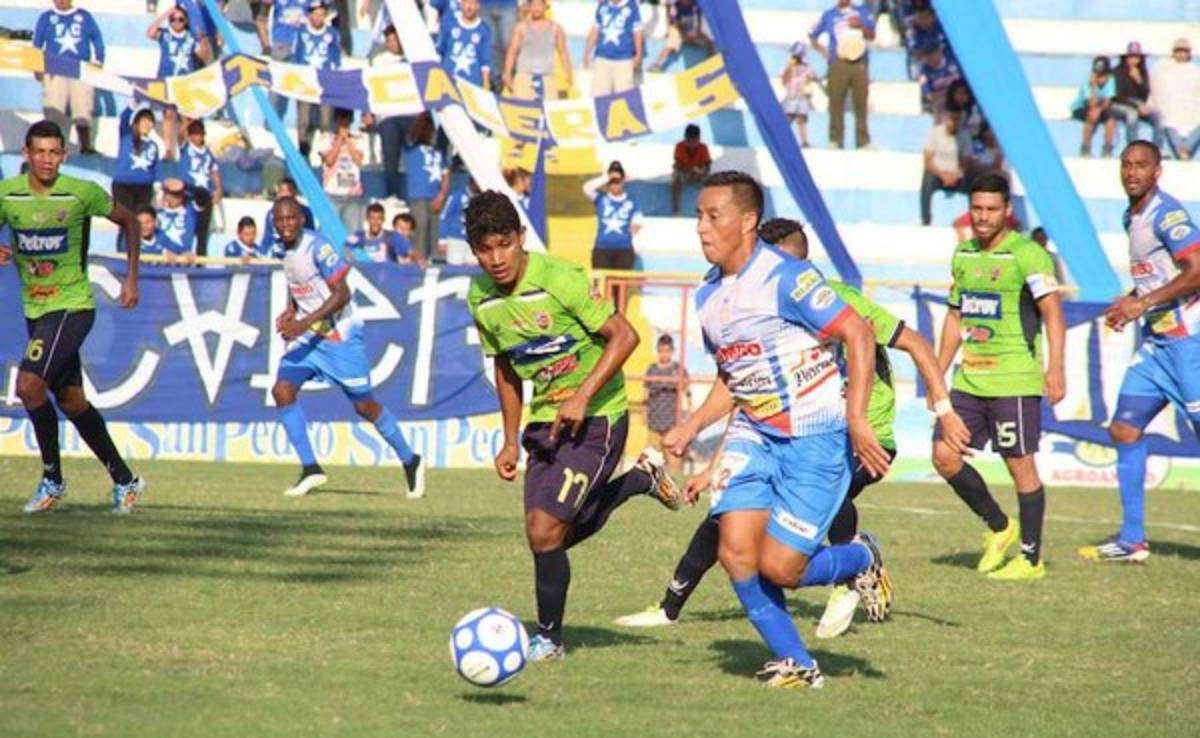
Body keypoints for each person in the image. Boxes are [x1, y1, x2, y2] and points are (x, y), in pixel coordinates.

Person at [617, 216, 970, 638]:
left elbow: (914, 342)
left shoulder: (838, 302)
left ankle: (853, 569)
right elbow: (751, 397)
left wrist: (945, 410)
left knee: (823, 490)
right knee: (727, 514)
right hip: (793, 436)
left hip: (866, 438)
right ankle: (670, 608)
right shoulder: (759, 310)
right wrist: (714, 464)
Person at [652, 171, 892, 688]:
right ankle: (798, 665)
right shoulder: (708, 297)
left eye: (712, 216)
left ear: (748, 221)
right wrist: (692, 425)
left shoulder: (788, 278)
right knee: (735, 550)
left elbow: (859, 332)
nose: (701, 228)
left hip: (816, 438)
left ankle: (860, 556)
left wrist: (856, 417)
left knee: (781, 568)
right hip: (756, 434)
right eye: (698, 216)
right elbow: (733, 376)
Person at [464, 189, 683, 661]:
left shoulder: (559, 279)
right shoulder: (480, 298)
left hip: (599, 417)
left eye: (504, 243)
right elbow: (505, 367)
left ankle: (550, 640)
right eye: (484, 249)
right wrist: (508, 439)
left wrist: (583, 396)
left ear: (521, 238)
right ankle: (639, 480)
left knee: (546, 534)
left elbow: (625, 335)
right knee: (542, 535)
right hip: (546, 423)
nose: (496, 258)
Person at [0, 120, 146, 514]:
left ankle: (53, 479)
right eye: (39, 152)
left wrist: (131, 278)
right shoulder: (8, 195)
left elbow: (130, 221)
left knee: (29, 386)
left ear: (64, 155)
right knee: (71, 401)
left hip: (73, 305)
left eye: (54, 152)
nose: (47, 159)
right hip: (35, 308)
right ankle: (126, 480)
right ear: (27, 155)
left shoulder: (81, 193)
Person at [931, 172, 1066, 581]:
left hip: (1015, 380)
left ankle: (1031, 558)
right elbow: (956, 316)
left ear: (1007, 211)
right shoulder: (964, 255)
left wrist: (1055, 368)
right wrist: (936, 374)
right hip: (969, 380)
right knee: (944, 456)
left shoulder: (1027, 255)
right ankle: (1000, 527)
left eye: (992, 209)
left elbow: (1053, 313)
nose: (983, 217)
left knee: (1019, 466)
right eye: (977, 208)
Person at [1079, 141, 1200, 562]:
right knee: (1124, 429)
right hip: (1158, 346)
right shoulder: (1131, 214)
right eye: (1126, 165)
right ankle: (1132, 540)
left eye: (1141, 166)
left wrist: (1141, 304)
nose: (1132, 172)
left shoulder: (1167, 215)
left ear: (1158, 171)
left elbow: (1197, 269)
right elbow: (1157, 277)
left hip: (1190, 342)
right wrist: (1130, 301)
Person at [269, 197, 426, 499]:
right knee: (282, 390)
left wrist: (303, 323)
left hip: (340, 335)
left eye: (291, 218)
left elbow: (342, 293)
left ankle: (411, 459)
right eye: (279, 220)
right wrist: (291, 309)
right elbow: (296, 281)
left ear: (301, 220)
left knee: (364, 405)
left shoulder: (319, 248)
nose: (285, 224)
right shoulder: (280, 248)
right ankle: (311, 469)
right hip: (310, 336)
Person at [33, 0, 104, 154]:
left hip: (80, 70)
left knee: (82, 109)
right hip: (54, 69)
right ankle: (51, 148)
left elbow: (97, 39)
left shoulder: (84, 16)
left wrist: (99, 60)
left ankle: (86, 146)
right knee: (53, 110)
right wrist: (37, 66)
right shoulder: (46, 18)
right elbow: (37, 44)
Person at [809, 0, 876, 150]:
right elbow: (812, 34)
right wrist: (825, 53)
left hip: (859, 62)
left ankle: (863, 140)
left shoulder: (862, 12)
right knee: (836, 101)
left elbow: (872, 35)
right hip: (838, 62)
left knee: (861, 102)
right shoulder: (829, 15)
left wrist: (861, 26)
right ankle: (835, 139)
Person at [146, 4, 210, 161]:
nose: (176, 22)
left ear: (186, 21)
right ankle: (169, 150)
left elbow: (203, 56)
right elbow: (150, 32)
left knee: (188, 118)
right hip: (167, 79)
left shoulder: (191, 36)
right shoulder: (165, 34)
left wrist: (203, 41)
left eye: (180, 19)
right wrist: (167, 13)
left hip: (186, 82)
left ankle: (183, 147)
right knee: (168, 115)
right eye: (173, 19)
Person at [362, 24, 410, 200]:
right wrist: (368, 112)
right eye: (389, 40)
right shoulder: (379, 61)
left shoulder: (411, 59)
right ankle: (392, 194)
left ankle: (414, 193)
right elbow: (370, 86)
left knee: (418, 156)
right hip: (388, 115)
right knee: (390, 157)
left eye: (395, 39)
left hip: (409, 114)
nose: (393, 44)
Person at [291, 0, 341, 158]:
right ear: (310, 15)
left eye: (322, 14)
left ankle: (325, 152)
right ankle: (303, 149)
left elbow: (336, 58)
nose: (319, 18)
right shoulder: (301, 32)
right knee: (304, 118)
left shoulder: (332, 33)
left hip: (325, 81)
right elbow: (295, 56)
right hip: (305, 81)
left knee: (326, 119)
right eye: (316, 14)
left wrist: (334, 76)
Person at [404, 113, 450, 262]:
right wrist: (424, 115)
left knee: (436, 236)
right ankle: (419, 267)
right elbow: (412, 133)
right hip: (418, 197)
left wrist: (442, 195)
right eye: (427, 128)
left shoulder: (438, 152)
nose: (429, 131)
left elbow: (446, 174)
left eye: (431, 128)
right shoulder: (411, 148)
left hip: (436, 198)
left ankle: (435, 266)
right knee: (420, 234)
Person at [112, 106, 160, 249]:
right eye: (144, 121)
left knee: (140, 221)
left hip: (144, 187)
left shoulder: (153, 145)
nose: (147, 125)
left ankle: (138, 251)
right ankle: (121, 251)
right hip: (123, 185)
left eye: (150, 122)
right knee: (125, 220)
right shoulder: (127, 137)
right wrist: (133, 104)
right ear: (137, 123)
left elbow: (156, 167)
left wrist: (157, 185)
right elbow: (124, 118)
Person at [502, 0, 572, 99]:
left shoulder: (556, 28)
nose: (536, 8)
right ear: (529, 7)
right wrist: (507, 73)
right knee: (521, 109)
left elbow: (563, 52)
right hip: (524, 76)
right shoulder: (521, 27)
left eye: (539, 5)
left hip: (547, 76)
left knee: (549, 110)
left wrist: (568, 73)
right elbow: (512, 51)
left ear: (545, 6)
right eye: (533, 5)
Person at [584, 160, 642, 274]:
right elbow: (586, 188)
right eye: (612, 181)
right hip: (602, 249)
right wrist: (606, 177)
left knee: (620, 287)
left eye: (618, 181)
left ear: (623, 181)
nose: (615, 184)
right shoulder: (600, 198)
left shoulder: (631, 200)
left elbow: (638, 221)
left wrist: (636, 228)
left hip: (624, 249)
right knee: (599, 286)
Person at [644, 334, 690, 475]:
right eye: (661, 350)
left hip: (672, 422)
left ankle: (675, 486)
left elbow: (687, 392)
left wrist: (688, 414)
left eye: (667, 351)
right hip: (654, 420)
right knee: (651, 458)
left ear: (672, 351)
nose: (664, 354)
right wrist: (644, 413)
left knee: (674, 458)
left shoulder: (678, 369)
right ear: (657, 350)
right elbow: (645, 394)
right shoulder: (651, 369)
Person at [1149, 38, 1200, 161]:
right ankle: (1181, 151)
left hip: (1191, 111)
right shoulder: (1164, 69)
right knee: (1168, 123)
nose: (1181, 54)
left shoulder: (1195, 71)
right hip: (1171, 111)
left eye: (1184, 51)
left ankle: (1184, 150)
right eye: (1178, 51)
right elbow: (1158, 88)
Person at [258, 0, 310, 116]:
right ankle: (271, 120)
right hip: (281, 43)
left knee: (305, 84)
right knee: (276, 82)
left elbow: (326, 14)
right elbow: (261, 19)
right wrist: (266, 45)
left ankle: (304, 123)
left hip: (304, 44)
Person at [583, 0, 644, 98]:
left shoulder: (632, 6)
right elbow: (595, 29)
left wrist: (639, 54)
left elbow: (637, 32)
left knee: (624, 97)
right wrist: (586, 53)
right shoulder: (603, 6)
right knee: (598, 96)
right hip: (602, 58)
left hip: (623, 60)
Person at [179, 120, 222, 258]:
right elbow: (180, 135)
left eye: (199, 134)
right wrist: (188, 117)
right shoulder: (186, 147)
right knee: (187, 227)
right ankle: (185, 257)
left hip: (205, 196)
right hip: (189, 193)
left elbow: (214, 171)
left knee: (203, 232)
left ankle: (201, 260)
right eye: (194, 134)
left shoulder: (208, 153)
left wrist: (218, 188)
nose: (197, 137)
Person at [319, 109, 365, 230]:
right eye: (341, 120)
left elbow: (359, 161)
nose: (344, 124)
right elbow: (329, 161)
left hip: (352, 195)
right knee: (329, 231)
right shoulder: (326, 138)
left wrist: (348, 140)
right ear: (336, 120)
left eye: (347, 120)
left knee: (353, 234)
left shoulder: (358, 139)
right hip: (332, 194)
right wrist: (339, 139)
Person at [1112, 42, 1162, 148]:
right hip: (1119, 103)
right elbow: (1117, 97)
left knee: (1158, 115)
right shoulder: (1117, 72)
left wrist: (1139, 81)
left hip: (1139, 104)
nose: (1134, 60)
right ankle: (1132, 147)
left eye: (1137, 57)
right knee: (1132, 115)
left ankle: (1157, 149)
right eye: (1131, 57)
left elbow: (1145, 95)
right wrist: (1136, 106)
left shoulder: (1142, 72)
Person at [920, 111, 964, 226]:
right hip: (938, 174)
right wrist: (942, 175)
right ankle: (926, 219)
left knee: (974, 180)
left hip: (957, 176)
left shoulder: (964, 135)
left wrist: (956, 175)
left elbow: (966, 162)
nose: (954, 123)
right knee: (927, 179)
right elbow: (927, 160)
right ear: (946, 119)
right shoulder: (935, 132)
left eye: (957, 119)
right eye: (952, 119)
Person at [346, 202, 424, 265]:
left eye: (379, 218)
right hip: (364, 277)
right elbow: (345, 249)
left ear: (383, 219)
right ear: (367, 219)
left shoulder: (393, 237)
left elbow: (411, 252)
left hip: (387, 277)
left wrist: (419, 259)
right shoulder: (358, 236)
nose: (376, 222)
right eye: (372, 218)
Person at [437, 0, 493, 89]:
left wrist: (486, 84)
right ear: (461, 4)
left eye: (472, 3)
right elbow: (440, 52)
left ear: (478, 6)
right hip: (449, 82)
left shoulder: (484, 30)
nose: (469, 7)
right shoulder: (450, 25)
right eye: (466, 3)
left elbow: (485, 62)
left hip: (473, 85)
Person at [1071, 56, 1118, 158]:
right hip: (1082, 107)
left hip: (1100, 108)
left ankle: (1107, 148)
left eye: (1103, 75)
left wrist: (1100, 110)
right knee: (1092, 115)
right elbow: (1091, 102)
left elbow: (1108, 100)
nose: (1101, 78)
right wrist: (1094, 86)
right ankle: (1085, 147)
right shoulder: (1088, 83)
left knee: (1110, 119)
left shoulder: (1111, 80)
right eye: (1099, 75)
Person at [647, 0, 713, 72]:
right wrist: (682, 29)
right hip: (679, 31)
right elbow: (674, 23)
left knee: (709, 42)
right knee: (671, 44)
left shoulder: (696, 5)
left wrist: (696, 31)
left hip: (692, 32)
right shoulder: (675, 7)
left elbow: (699, 20)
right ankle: (656, 63)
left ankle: (712, 61)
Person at [259, 178, 314, 259]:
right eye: (281, 191)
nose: (284, 194)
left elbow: (311, 235)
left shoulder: (305, 212)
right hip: (276, 256)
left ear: (294, 193)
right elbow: (267, 239)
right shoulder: (271, 213)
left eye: (287, 191)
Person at [781, 42, 818, 148]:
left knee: (801, 119)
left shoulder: (807, 67)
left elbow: (813, 76)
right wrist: (789, 69)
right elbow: (784, 80)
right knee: (787, 118)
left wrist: (809, 77)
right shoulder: (789, 67)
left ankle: (804, 141)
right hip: (791, 95)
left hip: (802, 96)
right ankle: (783, 139)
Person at [671, 124, 711, 216]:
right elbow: (678, 164)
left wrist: (701, 172)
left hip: (699, 174)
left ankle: (705, 210)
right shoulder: (679, 146)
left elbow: (707, 166)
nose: (692, 144)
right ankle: (676, 209)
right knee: (676, 182)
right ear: (685, 139)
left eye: (694, 141)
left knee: (709, 186)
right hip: (684, 172)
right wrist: (689, 170)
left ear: (698, 139)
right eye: (689, 141)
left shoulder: (703, 148)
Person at [157, 178, 197, 266]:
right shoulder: (157, 215)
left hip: (186, 262)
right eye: (172, 195)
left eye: (179, 195)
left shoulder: (190, 211)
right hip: (162, 263)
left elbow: (203, 197)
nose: (177, 198)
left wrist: (184, 185)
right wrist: (163, 251)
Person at [915, 42, 961, 116]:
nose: (928, 59)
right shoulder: (924, 71)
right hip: (940, 108)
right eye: (926, 56)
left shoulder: (952, 61)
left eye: (930, 55)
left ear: (938, 52)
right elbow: (929, 95)